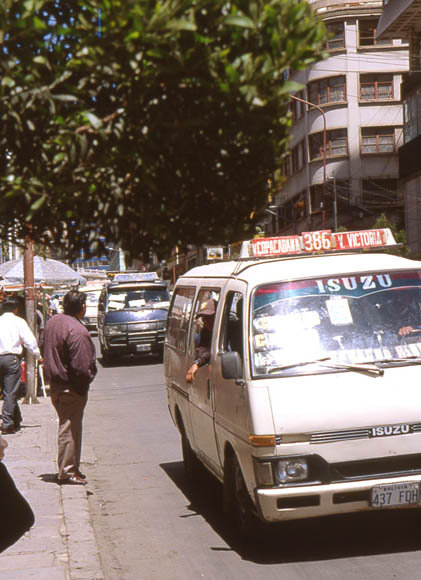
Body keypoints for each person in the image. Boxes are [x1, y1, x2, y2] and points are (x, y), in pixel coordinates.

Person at [43, 290, 97, 485]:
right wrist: (84, 383)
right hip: (70, 387)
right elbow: (81, 368)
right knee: (69, 428)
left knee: (69, 426)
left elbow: (44, 346)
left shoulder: (54, 322)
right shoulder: (77, 331)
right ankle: (67, 471)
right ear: (82, 308)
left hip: (56, 384)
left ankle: (71, 466)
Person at [0, 296, 42, 434]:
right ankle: (7, 423)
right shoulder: (18, 321)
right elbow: (30, 340)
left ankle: (16, 419)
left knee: (8, 390)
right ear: (16, 309)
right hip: (11, 359)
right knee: (10, 391)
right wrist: (37, 355)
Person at [185, 299, 216, 383]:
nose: (205, 321)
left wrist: (197, 363)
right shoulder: (205, 332)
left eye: (208, 317)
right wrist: (196, 363)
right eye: (203, 318)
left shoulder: (227, 331)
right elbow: (201, 351)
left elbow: (212, 351)